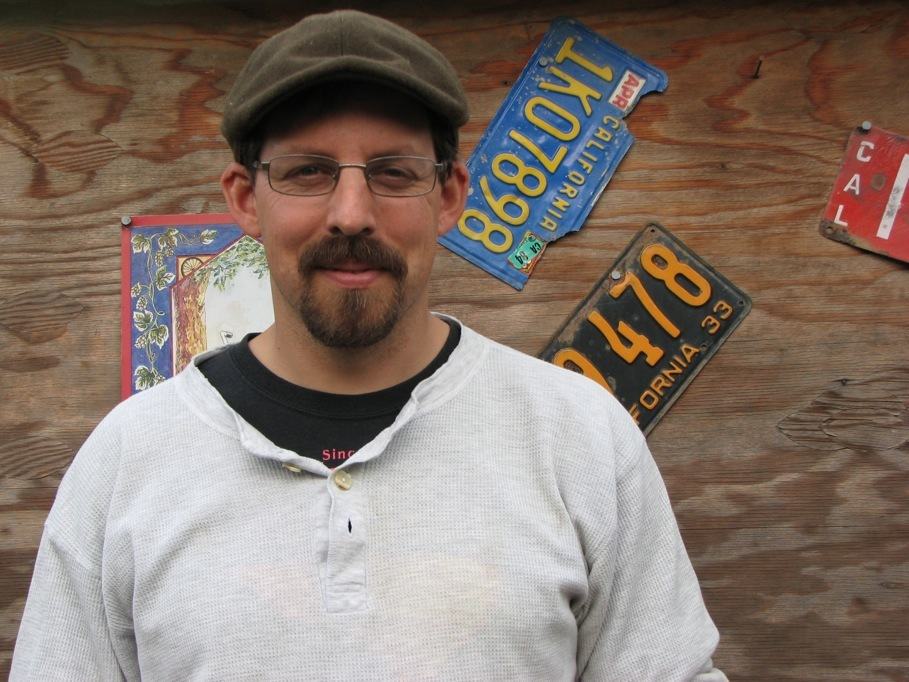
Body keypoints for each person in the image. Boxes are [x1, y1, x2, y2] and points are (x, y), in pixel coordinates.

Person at [11, 10, 726, 681]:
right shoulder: (128, 461)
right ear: (245, 199)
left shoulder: (579, 437)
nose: (351, 214)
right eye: (307, 171)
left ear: (449, 197)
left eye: (392, 172)